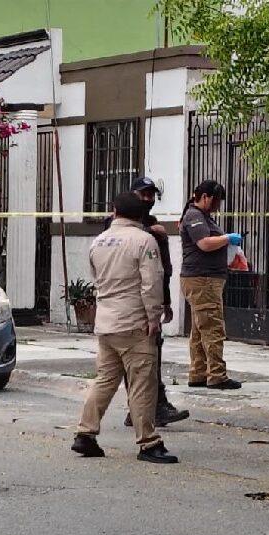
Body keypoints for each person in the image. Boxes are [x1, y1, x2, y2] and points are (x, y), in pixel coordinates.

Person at [72, 191, 177, 464]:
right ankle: (148, 442)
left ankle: (85, 433)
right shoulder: (145, 241)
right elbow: (151, 284)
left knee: (105, 380)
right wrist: (154, 318)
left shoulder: (99, 241)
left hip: (106, 323)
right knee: (143, 384)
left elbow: (97, 278)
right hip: (134, 324)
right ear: (141, 215)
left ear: (114, 212)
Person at [103, 177, 189, 428]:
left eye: (151, 195)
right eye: (143, 194)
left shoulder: (149, 223)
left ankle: (147, 408)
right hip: (132, 306)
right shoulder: (121, 223)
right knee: (139, 364)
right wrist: (152, 233)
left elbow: (161, 272)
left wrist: (166, 302)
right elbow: (120, 242)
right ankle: (147, 415)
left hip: (150, 302)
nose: (148, 199)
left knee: (149, 361)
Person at [179, 180, 242, 390]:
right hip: (202, 279)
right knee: (213, 326)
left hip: (205, 278)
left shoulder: (202, 216)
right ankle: (217, 374)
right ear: (205, 197)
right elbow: (204, 244)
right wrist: (227, 238)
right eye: (215, 202)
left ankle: (198, 372)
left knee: (199, 328)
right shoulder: (194, 216)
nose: (217, 207)